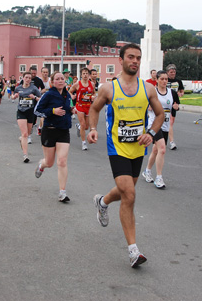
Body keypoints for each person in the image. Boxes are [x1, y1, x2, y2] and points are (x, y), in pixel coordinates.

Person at [87, 43, 164, 268]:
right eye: (131, 57)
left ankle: (102, 201)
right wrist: (93, 128)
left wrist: (151, 133)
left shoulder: (147, 89)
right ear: (120, 60)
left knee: (125, 191)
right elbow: (94, 109)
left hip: (138, 148)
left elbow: (160, 114)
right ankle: (133, 251)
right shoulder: (109, 88)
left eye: (138, 58)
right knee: (129, 194)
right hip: (117, 148)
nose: (135, 61)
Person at [34, 71, 73, 202]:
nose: (61, 80)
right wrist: (52, 111)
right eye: (58, 79)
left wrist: (73, 110)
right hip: (49, 131)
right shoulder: (48, 94)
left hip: (63, 131)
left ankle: (62, 192)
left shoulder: (67, 94)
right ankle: (41, 166)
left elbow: (70, 106)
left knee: (62, 161)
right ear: (53, 82)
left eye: (62, 78)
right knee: (49, 163)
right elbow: (37, 111)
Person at [142, 70, 179, 189]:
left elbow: (176, 106)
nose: (164, 81)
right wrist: (148, 107)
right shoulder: (153, 92)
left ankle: (147, 171)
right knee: (162, 149)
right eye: (162, 79)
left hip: (165, 126)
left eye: (166, 79)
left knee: (156, 150)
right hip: (154, 125)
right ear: (157, 80)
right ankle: (159, 177)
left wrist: (176, 107)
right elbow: (145, 106)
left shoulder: (172, 93)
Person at [12, 72, 41, 163]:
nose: (28, 79)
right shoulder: (19, 88)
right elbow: (13, 96)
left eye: (29, 78)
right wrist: (14, 96)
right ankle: (25, 155)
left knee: (27, 133)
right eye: (26, 77)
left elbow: (41, 99)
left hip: (30, 112)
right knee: (24, 133)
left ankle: (21, 139)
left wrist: (34, 97)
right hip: (21, 112)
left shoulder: (33, 88)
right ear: (23, 78)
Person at [69, 67, 96, 150]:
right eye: (83, 73)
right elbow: (69, 91)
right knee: (83, 124)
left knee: (87, 127)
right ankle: (83, 143)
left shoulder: (92, 84)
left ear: (89, 75)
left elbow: (94, 93)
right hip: (80, 105)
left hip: (88, 106)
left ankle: (79, 127)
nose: (85, 75)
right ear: (81, 75)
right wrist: (72, 96)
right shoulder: (77, 84)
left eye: (86, 73)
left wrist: (93, 97)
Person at [165, 64, 183, 150]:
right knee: (167, 122)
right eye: (171, 72)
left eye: (174, 72)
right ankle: (171, 142)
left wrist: (181, 94)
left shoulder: (178, 81)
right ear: (167, 72)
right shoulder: (164, 80)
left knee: (170, 122)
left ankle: (170, 141)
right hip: (164, 102)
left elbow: (182, 91)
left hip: (174, 102)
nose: (173, 73)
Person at [37, 67, 51, 136]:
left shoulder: (50, 81)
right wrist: (42, 91)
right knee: (43, 115)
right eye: (44, 72)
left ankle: (40, 127)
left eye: (46, 72)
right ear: (41, 73)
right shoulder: (39, 81)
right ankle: (43, 128)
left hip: (49, 100)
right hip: (41, 99)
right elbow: (36, 91)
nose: (45, 74)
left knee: (44, 115)